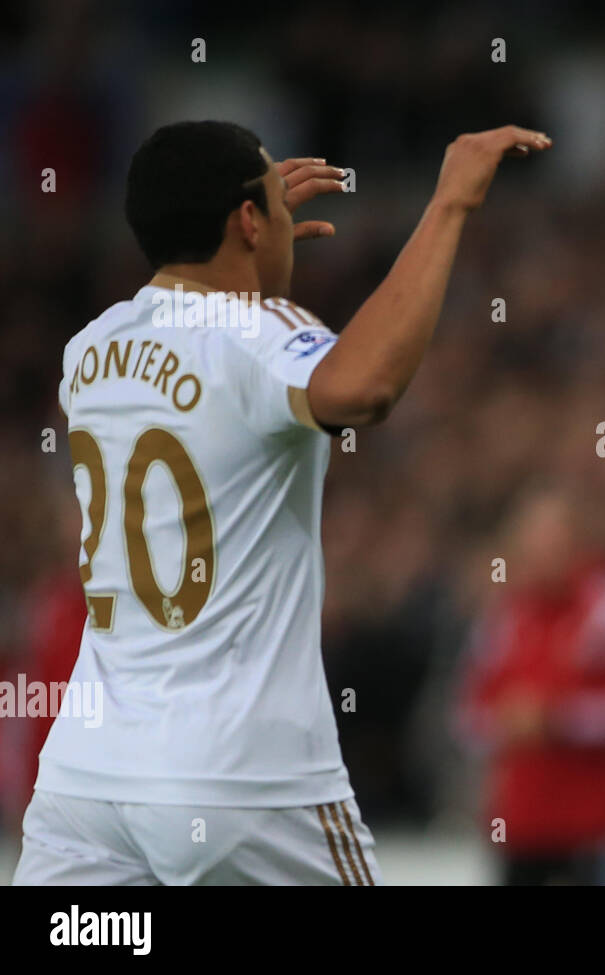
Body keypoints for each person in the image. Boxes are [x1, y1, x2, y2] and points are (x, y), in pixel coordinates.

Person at [12, 119, 550, 885]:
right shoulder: (259, 331)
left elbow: (201, 354)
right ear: (247, 220)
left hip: (86, 786)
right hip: (242, 783)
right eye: (269, 197)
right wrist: (448, 208)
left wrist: (251, 238)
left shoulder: (89, 350)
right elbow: (364, 387)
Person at [454, 484, 605, 885]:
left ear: (580, 539)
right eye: (532, 538)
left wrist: (560, 720)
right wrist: (504, 722)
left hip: (594, 826)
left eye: (554, 537)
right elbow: (466, 715)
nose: (541, 551)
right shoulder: (503, 615)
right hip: (519, 825)